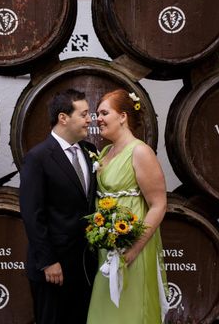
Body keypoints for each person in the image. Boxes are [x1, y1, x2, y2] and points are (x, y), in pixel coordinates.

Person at [87, 89, 168, 323]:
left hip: (134, 248)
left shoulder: (140, 152)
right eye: (96, 114)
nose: (98, 118)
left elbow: (158, 204)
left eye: (104, 113)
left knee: (131, 310)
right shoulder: (104, 153)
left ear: (123, 116)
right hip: (108, 248)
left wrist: (133, 249)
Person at [19, 88, 98, 324]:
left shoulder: (90, 151)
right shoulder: (38, 157)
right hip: (53, 268)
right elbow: (33, 215)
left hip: (85, 264)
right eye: (83, 114)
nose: (89, 119)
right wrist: (48, 262)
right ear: (63, 118)